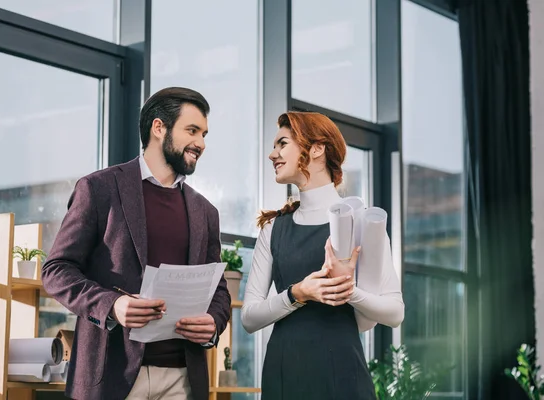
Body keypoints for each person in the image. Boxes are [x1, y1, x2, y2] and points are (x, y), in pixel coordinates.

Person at [41, 87, 231, 400]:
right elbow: (56, 270)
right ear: (159, 128)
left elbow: (219, 289)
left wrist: (213, 323)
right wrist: (112, 306)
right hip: (111, 376)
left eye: (204, 134)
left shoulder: (205, 211)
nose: (201, 143)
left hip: (183, 378)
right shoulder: (99, 188)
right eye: (192, 130)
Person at [241, 111, 404, 400]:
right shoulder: (273, 229)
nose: (272, 154)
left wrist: (348, 292)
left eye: (282, 143)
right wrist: (298, 293)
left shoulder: (365, 223)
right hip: (284, 374)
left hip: (344, 375)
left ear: (316, 149)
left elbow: (395, 312)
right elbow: (249, 318)